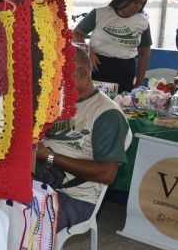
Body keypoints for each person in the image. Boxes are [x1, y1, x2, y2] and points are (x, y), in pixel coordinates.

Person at [34, 45, 130, 231]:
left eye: (57, 76)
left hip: (75, 196)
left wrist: (49, 156)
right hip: (41, 182)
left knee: (22, 223)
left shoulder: (107, 114)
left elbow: (106, 174)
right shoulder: (54, 102)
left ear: (82, 74)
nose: (51, 82)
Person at [73, 0, 152, 93]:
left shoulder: (142, 22)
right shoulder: (100, 13)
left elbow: (145, 53)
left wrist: (139, 82)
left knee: (121, 105)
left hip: (126, 69)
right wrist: (88, 52)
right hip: (98, 66)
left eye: (142, 3)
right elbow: (77, 34)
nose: (138, 7)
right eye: (135, 2)